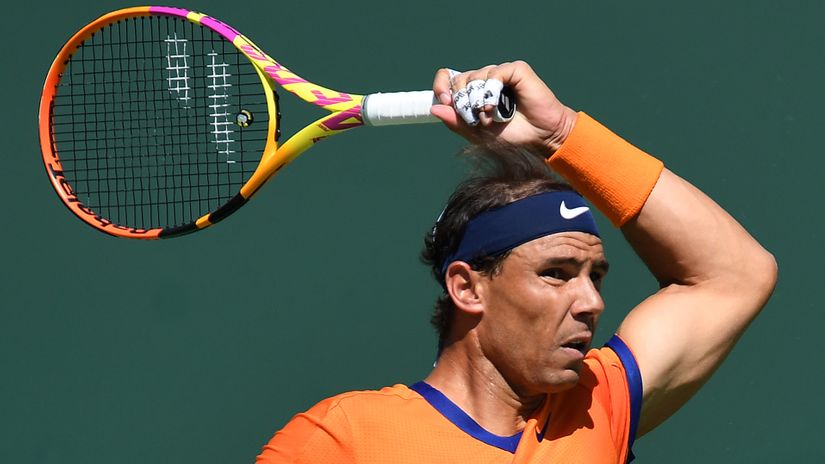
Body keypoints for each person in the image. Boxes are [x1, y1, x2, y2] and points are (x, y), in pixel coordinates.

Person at [255, 61, 777, 463]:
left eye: (595, 276)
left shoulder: (600, 405)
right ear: (468, 288)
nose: (592, 302)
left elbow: (737, 275)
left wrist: (563, 135)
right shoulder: (344, 439)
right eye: (557, 274)